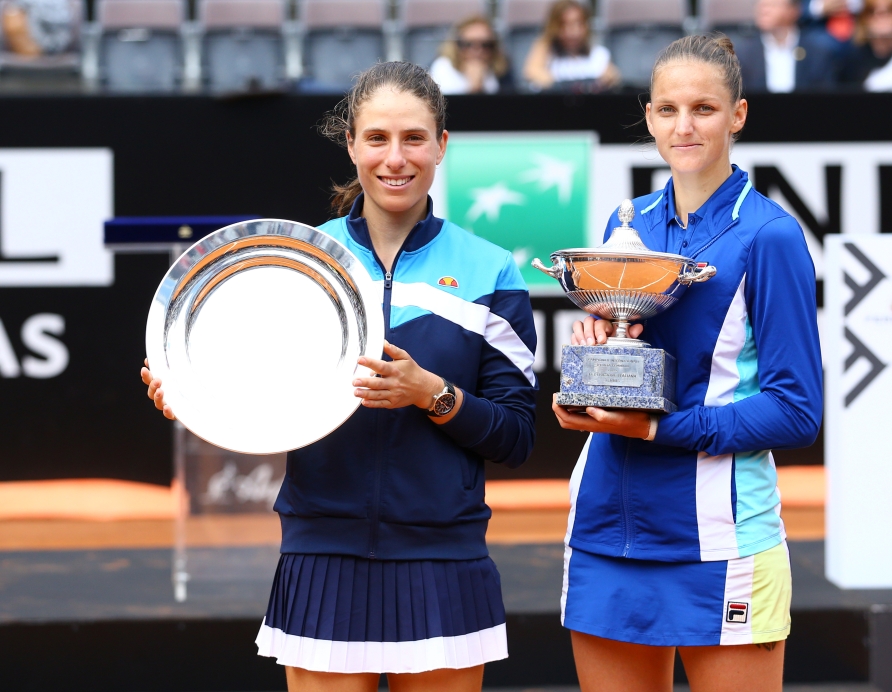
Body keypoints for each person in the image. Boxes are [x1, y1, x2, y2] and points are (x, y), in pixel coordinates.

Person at [141, 61, 538, 692]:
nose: (395, 158)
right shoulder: (298, 263)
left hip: (445, 561)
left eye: (413, 138)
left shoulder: (490, 271)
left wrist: (430, 394)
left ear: (441, 145)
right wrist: (191, 394)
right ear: (351, 144)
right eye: (377, 138)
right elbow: (252, 395)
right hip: (322, 555)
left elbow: (516, 435)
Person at [552, 35, 823, 692]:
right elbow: (622, 352)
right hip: (603, 532)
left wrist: (657, 429)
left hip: (721, 542)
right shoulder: (627, 225)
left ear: (738, 115)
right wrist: (591, 377)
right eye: (668, 109)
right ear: (648, 116)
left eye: (704, 108)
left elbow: (797, 409)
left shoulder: (772, 235)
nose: (684, 126)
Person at [732, 0, 840, 91]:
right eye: (761, 5)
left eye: (772, 5)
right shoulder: (743, 53)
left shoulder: (818, 51)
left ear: (794, 10)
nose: (764, 11)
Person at [522, 0, 620, 92]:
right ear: (554, 27)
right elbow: (531, 72)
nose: (574, 32)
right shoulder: (547, 53)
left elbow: (613, 77)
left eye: (579, 24)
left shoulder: (598, 54)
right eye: (564, 25)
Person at [430, 15, 513, 94]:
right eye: (468, 44)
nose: (477, 51)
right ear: (456, 45)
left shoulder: (501, 73)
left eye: (486, 45)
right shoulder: (443, 68)